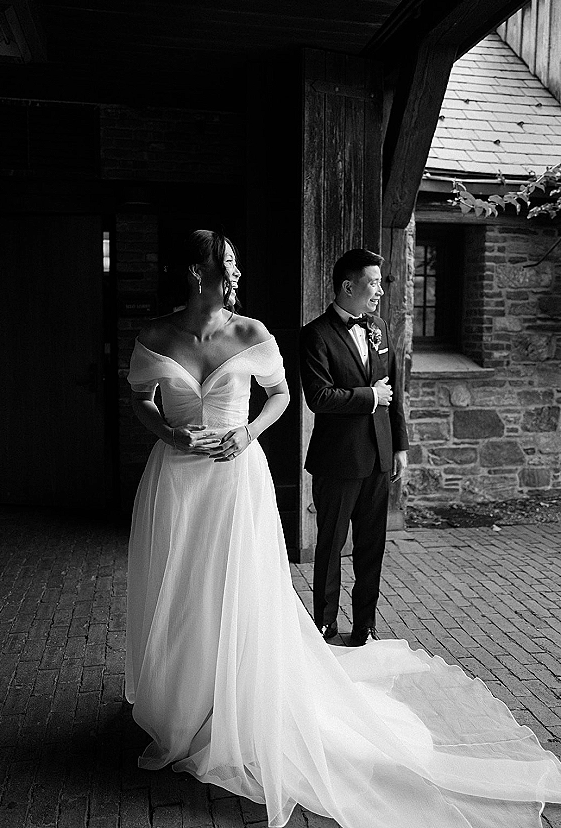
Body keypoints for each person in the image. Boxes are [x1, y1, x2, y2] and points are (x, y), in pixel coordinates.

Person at [126, 229, 561, 828]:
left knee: (239, 587)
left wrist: (247, 434)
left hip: (234, 480)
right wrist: (171, 432)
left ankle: (240, 700)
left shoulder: (251, 333)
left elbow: (280, 398)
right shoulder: (154, 335)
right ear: (198, 273)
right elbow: (143, 399)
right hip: (176, 480)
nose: (235, 270)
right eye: (225, 262)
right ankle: (187, 702)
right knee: (181, 589)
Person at [299, 249, 408, 646]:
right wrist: (369, 397)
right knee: (330, 548)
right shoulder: (315, 335)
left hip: (380, 456)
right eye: (373, 282)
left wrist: (400, 446)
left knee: (371, 548)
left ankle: (364, 626)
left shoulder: (379, 327)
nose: (380, 290)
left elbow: (394, 388)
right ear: (349, 287)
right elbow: (320, 398)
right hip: (338, 461)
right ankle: (325, 628)